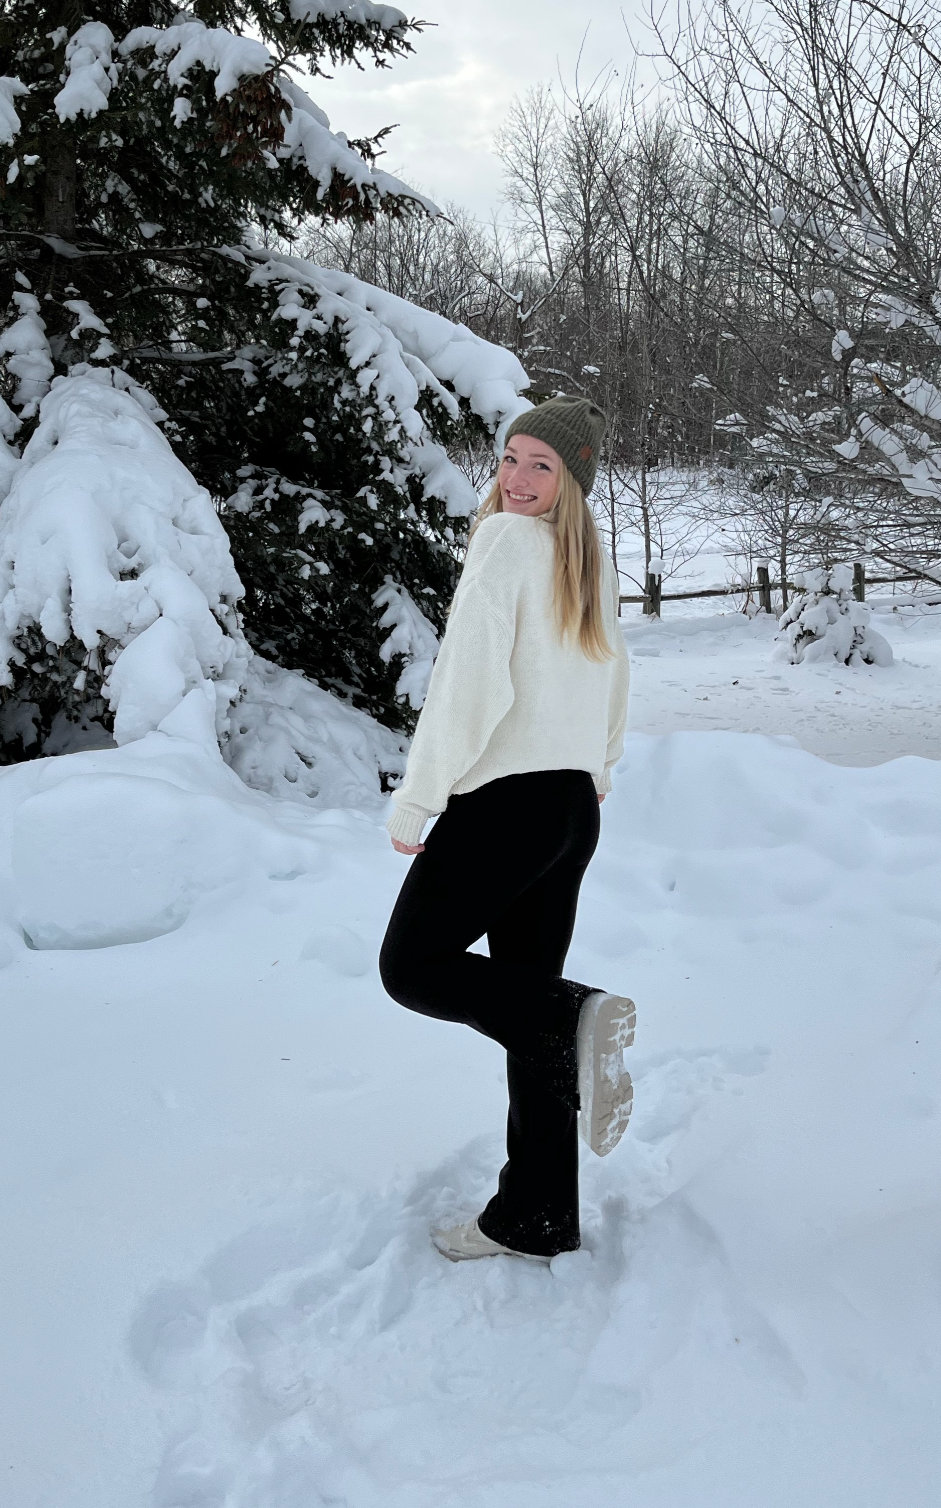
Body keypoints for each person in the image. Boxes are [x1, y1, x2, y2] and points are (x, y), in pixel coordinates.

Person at [378, 395, 634, 1265]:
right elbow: (613, 685)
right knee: (526, 1018)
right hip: (569, 811)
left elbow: (466, 685)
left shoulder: (504, 545)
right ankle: (538, 1215)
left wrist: (418, 798)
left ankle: (580, 1014)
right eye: (509, 459)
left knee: (412, 967)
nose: (517, 480)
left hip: (504, 804)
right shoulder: (587, 564)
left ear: (571, 482)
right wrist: (592, 777)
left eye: (541, 466)